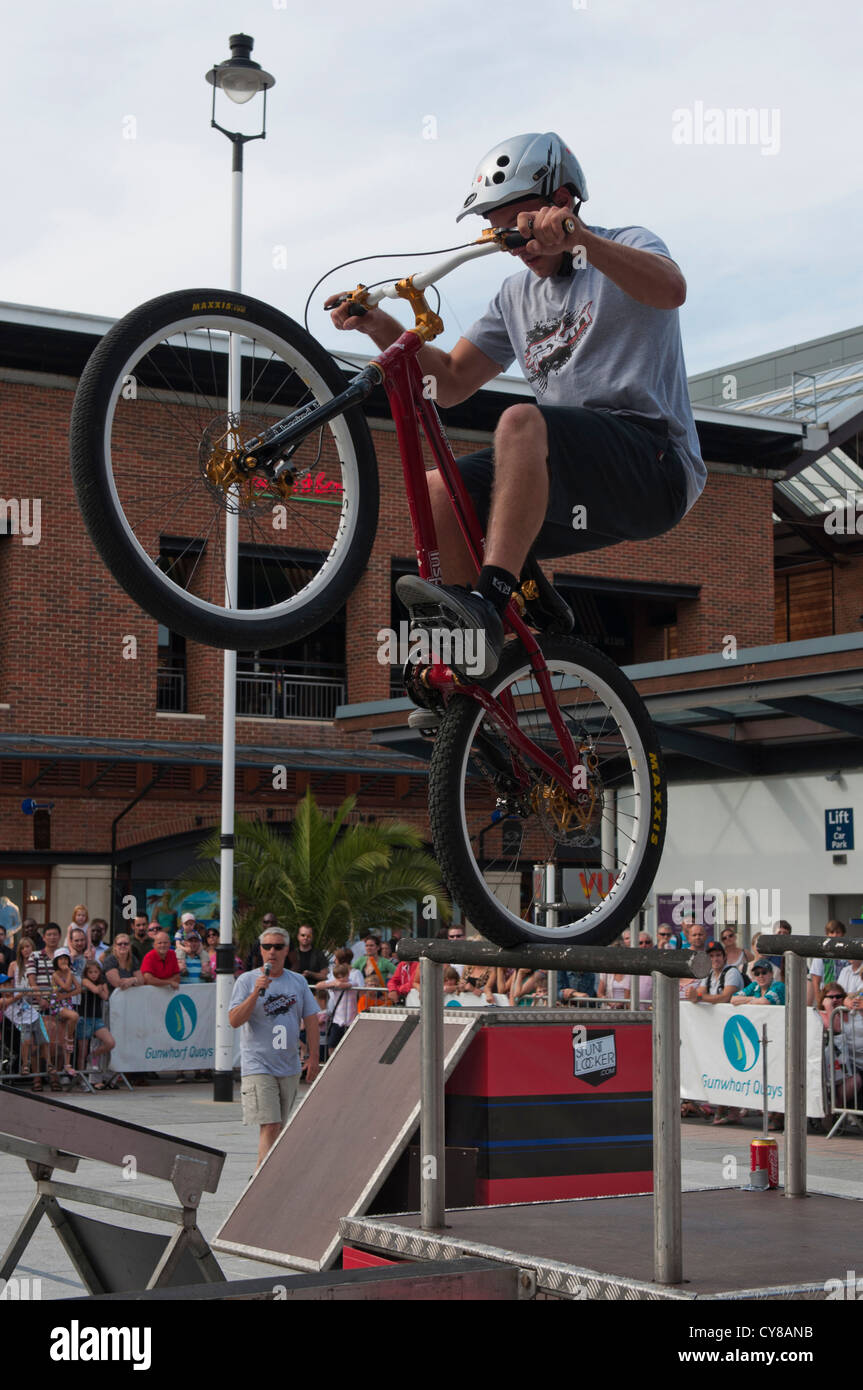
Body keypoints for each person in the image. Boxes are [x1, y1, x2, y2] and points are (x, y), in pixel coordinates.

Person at [331, 132, 703, 683]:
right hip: (572, 479)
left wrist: (581, 240)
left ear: (565, 199)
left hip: (653, 463)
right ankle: (477, 675)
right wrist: (380, 326)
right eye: (505, 233)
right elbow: (451, 382)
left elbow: (671, 290)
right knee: (441, 490)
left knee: (520, 421)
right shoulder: (514, 297)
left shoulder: (625, 243)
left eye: (527, 223)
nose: (520, 243)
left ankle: (492, 594)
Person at [229, 926, 320, 1167]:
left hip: (288, 1066)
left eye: (278, 946)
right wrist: (256, 993)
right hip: (258, 1065)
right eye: (267, 946)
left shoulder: (298, 981)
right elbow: (234, 1020)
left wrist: (313, 1058)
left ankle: (264, 1177)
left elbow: (311, 1020)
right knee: (270, 1125)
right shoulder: (247, 981)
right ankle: (260, 1183)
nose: (272, 951)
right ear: (260, 950)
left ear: (287, 950)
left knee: (278, 1128)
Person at [3, 937, 50, 1089]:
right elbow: (9, 985)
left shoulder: (36, 963)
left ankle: (46, 1070)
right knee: (28, 1041)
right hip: (17, 1008)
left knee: (43, 1040)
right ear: (19, 950)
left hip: (34, 1005)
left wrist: (40, 998)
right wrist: (18, 995)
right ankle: (29, 1069)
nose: (26, 950)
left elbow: (35, 984)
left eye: (28, 947)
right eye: (23, 948)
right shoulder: (13, 965)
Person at [76, 960, 115, 1089]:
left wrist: (100, 988)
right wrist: (99, 988)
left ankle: (93, 1055)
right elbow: (94, 989)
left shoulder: (101, 981)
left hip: (97, 1019)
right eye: (91, 972)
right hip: (84, 1018)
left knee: (110, 1042)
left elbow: (105, 996)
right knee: (82, 1050)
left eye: (96, 972)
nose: (93, 975)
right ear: (86, 973)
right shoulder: (85, 981)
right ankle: (81, 1078)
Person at [49, 947, 82, 1080]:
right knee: (74, 1016)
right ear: (56, 961)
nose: (63, 961)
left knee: (68, 1036)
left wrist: (66, 995)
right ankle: (68, 1038)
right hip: (57, 1006)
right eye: (61, 959)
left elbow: (78, 989)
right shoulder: (56, 975)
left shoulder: (71, 974)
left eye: (65, 959)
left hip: (66, 1004)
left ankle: (67, 1064)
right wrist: (68, 972)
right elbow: (67, 986)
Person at [808, 920, 847, 1006]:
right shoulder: (821, 953)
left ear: (843, 934)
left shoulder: (848, 953)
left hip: (844, 998)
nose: (835, 935)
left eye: (838, 932)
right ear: (827, 934)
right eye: (832, 932)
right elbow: (815, 981)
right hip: (827, 997)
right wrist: (819, 1001)